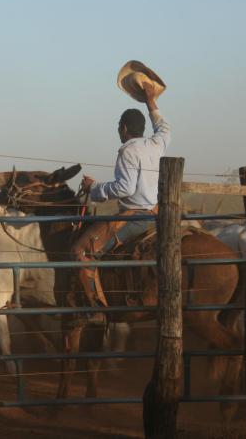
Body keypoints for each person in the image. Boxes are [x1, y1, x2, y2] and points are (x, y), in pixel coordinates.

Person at [72, 81, 171, 322]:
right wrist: (151, 101)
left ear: (124, 128)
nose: (118, 130)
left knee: (82, 252)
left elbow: (124, 187)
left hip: (136, 215)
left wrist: (93, 188)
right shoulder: (156, 144)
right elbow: (165, 128)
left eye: (119, 126)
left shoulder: (128, 150)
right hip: (156, 212)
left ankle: (95, 311)